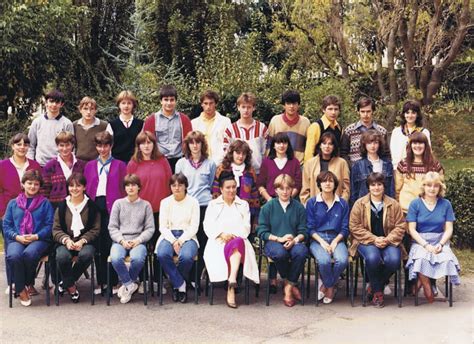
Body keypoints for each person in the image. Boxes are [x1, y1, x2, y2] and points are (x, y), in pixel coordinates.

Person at [349, 172, 406, 308]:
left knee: (393, 260)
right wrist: (374, 239)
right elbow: (354, 226)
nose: (376, 188)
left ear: (384, 186)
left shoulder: (393, 204)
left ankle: (374, 286)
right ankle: (378, 293)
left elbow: (400, 226)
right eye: (373, 185)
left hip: (389, 241)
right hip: (366, 242)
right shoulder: (359, 204)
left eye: (379, 184)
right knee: (373, 258)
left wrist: (387, 240)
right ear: (368, 187)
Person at [203, 171, 260, 308]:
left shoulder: (243, 205)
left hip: (239, 240)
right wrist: (221, 234)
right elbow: (207, 225)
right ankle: (232, 282)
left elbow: (246, 227)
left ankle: (231, 285)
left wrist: (232, 236)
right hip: (218, 241)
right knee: (235, 247)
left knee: (238, 244)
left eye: (234, 187)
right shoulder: (213, 205)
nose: (231, 190)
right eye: (228, 187)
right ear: (221, 189)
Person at [405, 172, 460, 303]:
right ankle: (427, 287)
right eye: (428, 185)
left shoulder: (446, 204)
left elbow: (449, 229)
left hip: (440, 240)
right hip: (420, 241)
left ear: (440, 188)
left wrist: (441, 244)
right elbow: (412, 229)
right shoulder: (415, 204)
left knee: (447, 260)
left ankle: (419, 282)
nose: (432, 188)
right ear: (423, 186)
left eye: (436, 186)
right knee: (421, 259)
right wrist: (426, 245)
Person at [83, 131, 127, 294]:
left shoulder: (120, 165)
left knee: (111, 243)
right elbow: (87, 188)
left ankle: (113, 281)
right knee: (98, 244)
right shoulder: (89, 166)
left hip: (113, 206)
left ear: (111, 146)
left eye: (106, 145)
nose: (103, 149)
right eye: (99, 146)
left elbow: (124, 188)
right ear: (96, 147)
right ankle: (101, 281)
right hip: (95, 205)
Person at [3, 170, 54, 306]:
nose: (32, 186)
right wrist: (17, 237)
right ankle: (22, 288)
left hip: (39, 239)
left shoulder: (45, 203)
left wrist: (36, 236)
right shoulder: (13, 203)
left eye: (36, 184)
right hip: (17, 238)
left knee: (29, 254)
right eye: (29, 183)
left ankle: (22, 285)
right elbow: (6, 225)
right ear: (23, 184)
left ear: (39, 186)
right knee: (14, 255)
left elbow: (50, 225)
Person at [257, 174, 307, 307]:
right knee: (280, 253)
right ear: (275, 190)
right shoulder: (268, 207)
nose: (285, 192)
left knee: (301, 252)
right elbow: (261, 231)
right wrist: (279, 239)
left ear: (292, 190)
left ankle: (288, 286)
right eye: (281, 188)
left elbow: (304, 231)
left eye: (288, 188)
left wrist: (295, 240)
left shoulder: (299, 207)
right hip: (273, 242)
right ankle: (290, 283)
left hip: (294, 241)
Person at [0, 133, 42, 292]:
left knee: (31, 249)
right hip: (8, 213)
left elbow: (39, 190)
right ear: (12, 146)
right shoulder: (3, 165)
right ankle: (13, 283)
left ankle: (28, 283)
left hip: (31, 214)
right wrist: (4, 212)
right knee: (12, 248)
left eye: (25, 144)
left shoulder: (34, 165)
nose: (22, 147)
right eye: (18, 144)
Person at [175, 131, 216, 284]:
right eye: (191, 142)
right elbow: (177, 185)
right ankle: (184, 276)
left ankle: (196, 277)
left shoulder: (210, 164)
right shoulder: (181, 163)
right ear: (187, 145)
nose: (195, 145)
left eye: (198, 142)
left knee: (203, 241)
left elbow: (211, 184)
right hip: (187, 206)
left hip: (204, 206)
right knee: (188, 241)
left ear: (202, 144)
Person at [52, 173, 100, 303]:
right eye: (71, 186)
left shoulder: (92, 206)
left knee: (87, 254)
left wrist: (82, 241)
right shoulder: (62, 206)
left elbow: (96, 229)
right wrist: (66, 240)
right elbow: (55, 229)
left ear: (84, 187)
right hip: (65, 242)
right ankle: (72, 287)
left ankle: (65, 283)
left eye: (78, 186)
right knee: (62, 256)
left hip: (85, 242)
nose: (74, 189)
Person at [108, 174, 155, 304]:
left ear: (139, 187)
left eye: (133, 185)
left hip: (138, 240)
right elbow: (112, 227)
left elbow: (150, 228)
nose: (130, 188)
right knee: (116, 258)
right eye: (128, 185)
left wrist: (138, 240)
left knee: (138, 259)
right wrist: (122, 240)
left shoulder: (146, 205)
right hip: (120, 240)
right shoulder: (118, 204)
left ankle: (126, 286)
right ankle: (130, 284)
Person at [155, 174, 199, 303]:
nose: (177, 188)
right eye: (174, 185)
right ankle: (181, 284)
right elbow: (162, 227)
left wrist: (181, 240)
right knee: (162, 254)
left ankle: (176, 285)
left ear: (185, 186)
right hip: (168, 235)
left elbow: (194, 226)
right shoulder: (165, 202)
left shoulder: (193, 202)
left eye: (180, 185)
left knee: (186, 257)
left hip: (188, 235)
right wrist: (174, 240)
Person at [307, 171, 349, 304]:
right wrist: (323, 243)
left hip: (337, 237)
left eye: (330, 181)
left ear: (335, 184)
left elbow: (345, 228)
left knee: (342, 260)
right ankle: (331, 287)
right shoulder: (312, 202)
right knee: (324, 261)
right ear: (319, 184)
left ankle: (326, 284)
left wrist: (335, 242)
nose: (327, 184)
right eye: (324, 181)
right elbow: (310, 228)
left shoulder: (342, 204)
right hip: (317, 239)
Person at [212, 140, 260, 233]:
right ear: (231, 153)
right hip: (224, 212)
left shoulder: (250, 171)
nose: (241, 156)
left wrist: (255, 219)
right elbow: (216, 191)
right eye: (238, 153)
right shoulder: (222, 169)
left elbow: (255, 195)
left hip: (244, 214)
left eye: (244, 154)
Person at [142, 84, 192, 172]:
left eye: (172, 100)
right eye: (166, 100)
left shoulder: (184, 119)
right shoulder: (151, 120)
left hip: (179, 161)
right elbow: (146, 143)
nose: (169, 103)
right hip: (158, 161)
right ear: (161, 101)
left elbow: (189, 142)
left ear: (176, 101)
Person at [395, 132, 443, 214]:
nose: (417, 146)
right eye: (414, 143)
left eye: (420, 143)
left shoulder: (434, 165)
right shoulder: (403, 164)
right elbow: (397, 189)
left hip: (429, 209)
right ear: (410, 145)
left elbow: (440, 187)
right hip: (407, 209)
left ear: (426, 145)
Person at [223, 92, 268, 174]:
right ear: (238, 107)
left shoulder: (262, 128)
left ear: (254, 108)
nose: (246, 110)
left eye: (249, 107)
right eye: (243, 107)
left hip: (257, 172)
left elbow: (265, 152)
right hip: (236, 173)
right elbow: (227, 152)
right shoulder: (230, 129)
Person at [300, 132, 350, 205]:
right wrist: (309, 205)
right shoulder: (309, 164)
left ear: (334, 146)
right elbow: (305, 189)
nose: (327, 146)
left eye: (330, 144)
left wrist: (341, 204)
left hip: (336, 207)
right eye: (324, 143)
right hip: (315, 207)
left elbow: (346, 188)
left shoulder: (342, 163)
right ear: (320, 145)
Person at [27, 90, 74, 166]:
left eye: (57, 102)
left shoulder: (67, 123)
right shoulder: (37, 122)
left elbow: (71, 146)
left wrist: (69, 164)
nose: (54, 105)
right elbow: (30, 145)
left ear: (61, 104)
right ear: (46, 103)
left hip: (60, 165)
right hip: (40, 165)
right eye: (51, 101)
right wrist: (31, 163)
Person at [340, 97, 391, 166]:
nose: (365, 115)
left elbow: (386, 154)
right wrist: (351, 166)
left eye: (368, 111)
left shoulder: (381, 131)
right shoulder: (349, 130)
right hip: (355, 171)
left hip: (376, 171)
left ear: (373, 111)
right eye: (362, 111)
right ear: (358, 112)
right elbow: (343, 153)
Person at [41, 131, 86, 208]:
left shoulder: (82, 165)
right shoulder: (50, 166)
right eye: (61, 145)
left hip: (78, 206)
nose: (64, 149)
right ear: (57, 146)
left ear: (72, 145)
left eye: (67, 145)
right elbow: (44, 191)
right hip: (56, 207)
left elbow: (85, 186)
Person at [350, 130, 394, 206]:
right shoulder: (358, 165)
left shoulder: (387, 164)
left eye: (376, 143)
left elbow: (391, 190)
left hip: (384, 206)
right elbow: (354, 192)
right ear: (364, 145)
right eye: (369, 143)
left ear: (380, 144)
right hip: (364, 207)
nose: (372, 146)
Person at [266, 90, 310, 163]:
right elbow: (269, 145)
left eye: (294, 103)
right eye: (288, 103)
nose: (291, 106)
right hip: (278, 164)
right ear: (283, 105)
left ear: (298, 105)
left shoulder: (305, 122)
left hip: (299, 165)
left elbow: (309, 146)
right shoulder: (275, 121)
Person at [257, 132, 302, 201]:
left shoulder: (294, 162)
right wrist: (269, 199)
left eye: (284, 143)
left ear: (288, 145)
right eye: (278, 143)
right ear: (273, 146)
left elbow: (298, 184)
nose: (281, 145)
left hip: (290, 201)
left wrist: (288, 198)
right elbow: (260, 184)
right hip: (271, 201)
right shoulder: (266, 162)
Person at [191, 90, 231, 166]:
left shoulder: (225, 121)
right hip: (200, 164)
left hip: (221, 164)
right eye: (205, 103)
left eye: (211, 103)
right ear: (201, 104)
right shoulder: (194, 123)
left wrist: (219, 163)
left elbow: (227, 145)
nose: (208, 107)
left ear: (215, 104)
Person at [390, 100, 431, 170]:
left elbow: (428, 152)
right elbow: (394, 154)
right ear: (403, 114)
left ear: (417, 114)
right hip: (399, 169)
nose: (410, 116)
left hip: (419, 169)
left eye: (413, 113)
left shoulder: (424, 132)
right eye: (407, 113)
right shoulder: (396, 132)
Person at [106, 90, 144, 163]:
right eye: (123, 103)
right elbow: (108, 146)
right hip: (116, 163)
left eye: (129, 103)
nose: (126, 106)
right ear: (119, 105)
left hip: (135, 162)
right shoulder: (112, 125)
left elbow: (142, 145)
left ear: (133, 105)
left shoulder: (140, 124)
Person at [304, 95, 343, 163]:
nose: (333, 112)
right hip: (318, 167)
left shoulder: (339, 128)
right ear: (323, 110)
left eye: (336, 109)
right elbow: (309, 153)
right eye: (330, 109)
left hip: (334, 166)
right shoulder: (316, 126)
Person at [73, 96, 108, 161]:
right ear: (80, 110)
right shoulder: (74, 125)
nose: (88, 112)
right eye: (85, 109)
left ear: (95, 110)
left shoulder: (104, 125)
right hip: (78, 163)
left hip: (96, 163)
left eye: (91, 109)